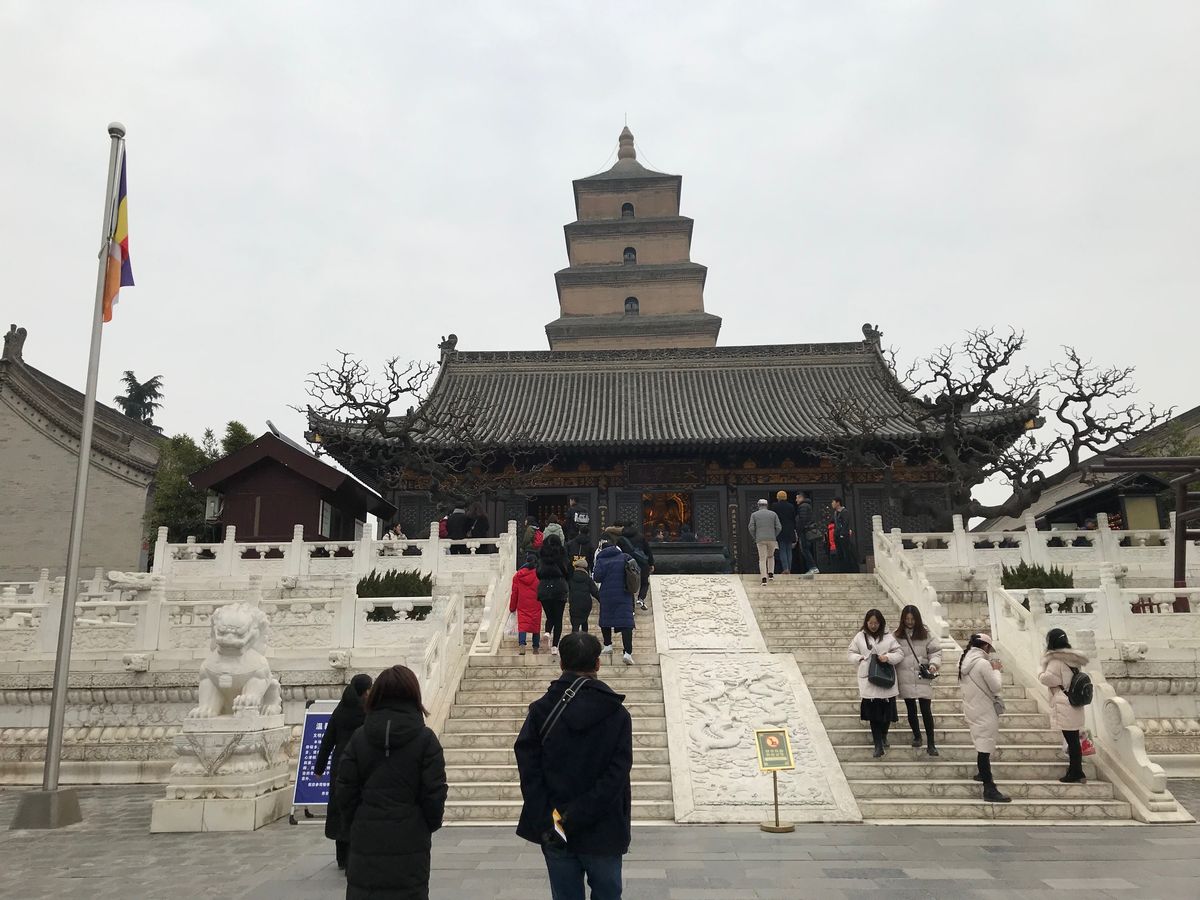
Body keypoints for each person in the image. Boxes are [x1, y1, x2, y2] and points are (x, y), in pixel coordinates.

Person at [514, 632, 632, 900]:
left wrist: (550, 817)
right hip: (604, 824)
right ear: (597, 663)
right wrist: (582, 812)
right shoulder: (617, 714)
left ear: (561, 663)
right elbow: (617, 773)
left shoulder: (541, 710)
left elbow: (528, 768)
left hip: (556, 823)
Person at [335, 664, 448, 900]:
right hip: (411, 840)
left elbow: (345, 789)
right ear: (414, 694)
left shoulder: (359, 738)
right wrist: (422, 825)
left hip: (365, 837)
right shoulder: (426, 740)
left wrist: (359, 821)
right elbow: (434, 794)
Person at [314, 673, 373, 871]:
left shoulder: (340, 711)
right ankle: (354, 855)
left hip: (339, 764)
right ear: (364, 690)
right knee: (356, 808)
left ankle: (341, 857)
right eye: (369, 688)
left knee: (341, 807)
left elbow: (327, 741)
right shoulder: (367, 712)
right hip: (360, 764)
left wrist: (319, 768)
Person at [959, 633, 1011, 803]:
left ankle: (983, 774)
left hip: (972, 708)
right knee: (984, 748)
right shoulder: (982, 663)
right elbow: (996, 687)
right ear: (986, 646)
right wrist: (996, 670)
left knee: (981, 743)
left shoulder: (964, 660)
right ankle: (989, 788)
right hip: (985, 710)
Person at [847, 608, 902, 757]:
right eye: (870, 623)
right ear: (866, 622)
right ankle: (878, 745)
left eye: (876, 623)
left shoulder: (888, 637)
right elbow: (851, 652)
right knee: (874, 716)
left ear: (881, 623)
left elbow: (899, 653)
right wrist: (860, 658)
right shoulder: (860, 637)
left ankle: (883, 736)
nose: (873, 626)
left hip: (885, 678)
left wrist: (888, 657)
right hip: (869, 679)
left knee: (886, 714)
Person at [1039, 628, 1088, 784]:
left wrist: (1040, 673)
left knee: (1071, 740)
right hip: (1074, 701)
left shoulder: (1056, 660)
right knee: (1074, 740)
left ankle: (1076, 772)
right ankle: (1077, 770)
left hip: (1064, 702)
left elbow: (1048, 679)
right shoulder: (1074, 659)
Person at [894, 605, 942, 756]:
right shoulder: (896, 636)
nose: (910, 622)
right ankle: (917, 735)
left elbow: (935, 651)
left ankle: (931, 743)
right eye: (907, 619)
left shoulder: (925, 634)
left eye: (912, 619)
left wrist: (933, 664)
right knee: (911, 710)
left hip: (921, 676)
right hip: (905, 677)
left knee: (926, 710)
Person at [592, 538, 636, 665]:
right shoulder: (625, 557)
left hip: (607, 594)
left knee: (605, 619)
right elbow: (634, 569)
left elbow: (597, 577)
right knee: (626, 622)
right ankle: (627, 653)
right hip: (624, 593)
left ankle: (608, 645)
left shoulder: (601, 560)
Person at [537, 534, 572, 655]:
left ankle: (547, 632)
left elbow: (538, 573)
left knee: (550, 616)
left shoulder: (542, 557)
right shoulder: (562, 556)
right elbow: (568, 572)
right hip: (559, 588)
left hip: (544, 589)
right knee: (558, 618)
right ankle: (554, 647)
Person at [510, 552, 542, 655]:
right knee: (536, 625)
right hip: (536, 603)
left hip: (522, 603)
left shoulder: (518, 576)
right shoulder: (539, 574)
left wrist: (512, 607)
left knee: (522, 625)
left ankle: (522, 645)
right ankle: (535, 647)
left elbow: (514, 592)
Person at [621, 522, 655, 611]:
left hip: (628, 563)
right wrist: (651, 563)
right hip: (642, 563)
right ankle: (641, 598)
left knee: (629, 584)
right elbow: (648, 550)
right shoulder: (640, 536)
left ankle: (632, 608)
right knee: (644, 583)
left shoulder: (621, 538)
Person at [748, 498, 782, 586]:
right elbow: (779, 527)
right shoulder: (773, 514)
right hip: (772, 538)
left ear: (758, 505)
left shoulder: (754, 515)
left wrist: (755, 536)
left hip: (760, 539)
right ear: (767, 505)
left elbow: (751, 528)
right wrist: (774, 535)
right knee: (771, 556)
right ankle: (771, 574)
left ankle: (764, 579)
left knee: (762, 559)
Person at [568, 557, 600, 633]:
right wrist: (602, 601)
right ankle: (585, 637)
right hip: (586, 603)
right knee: (584, 621)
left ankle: (574, 638)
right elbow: (595, 592)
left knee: (575, 624)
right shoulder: (588, 579)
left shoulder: (571, 577)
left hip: (574, 602)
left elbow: (566, 589)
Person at [770, 490, 797, 575]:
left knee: (782, 550)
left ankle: (785, 568)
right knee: (789, 550)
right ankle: (789, 568)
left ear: (778, 497)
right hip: (790, 530)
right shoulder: (791, 506)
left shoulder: (775, 506)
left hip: (780, 530)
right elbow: (793, 518)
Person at [829, 497, 858, 574]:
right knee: (839, 553)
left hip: (843, 535)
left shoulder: (844, 512)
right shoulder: (835, 513)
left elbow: (845, 523)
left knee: (846, 552)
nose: (832, 504)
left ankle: (848, 570)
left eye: (833, 502)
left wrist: (842, 533)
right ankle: (841, 570)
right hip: (837, 535)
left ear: (838, 503)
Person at [794, 492, 819, 575]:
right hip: (806, 530)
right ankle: (812, 567)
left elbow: (802, 519)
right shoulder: (807, 505)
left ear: (801, 498)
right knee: (805, 549)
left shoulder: (803, 506)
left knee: (805, 549)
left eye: (797, 498)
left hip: (805, 531)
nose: (796, 500)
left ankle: (813, 567)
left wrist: (799, 530)